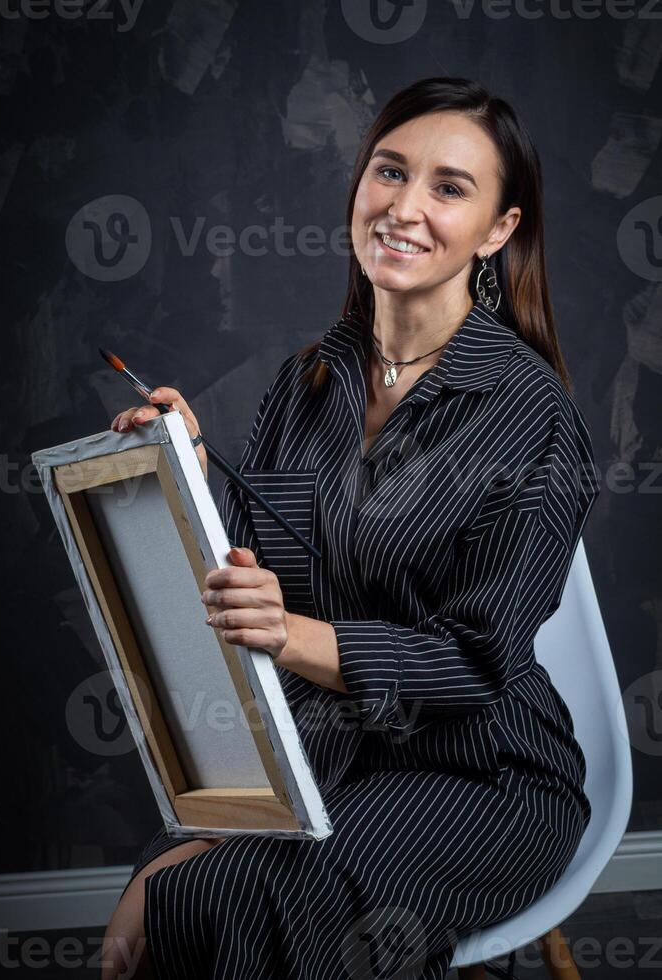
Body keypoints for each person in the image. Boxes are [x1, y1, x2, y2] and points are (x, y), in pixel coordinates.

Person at [101, 77, 600, 980]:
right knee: (156, 896)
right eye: (389, 171)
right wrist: (186, 468)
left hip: (481, 780)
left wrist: (288, 632)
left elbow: (477, 663)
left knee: (232, 896)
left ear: (497, 230)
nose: (404, 207)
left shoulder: (533, 414)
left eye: (449, 188)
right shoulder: (310, 382)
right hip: (327, 754)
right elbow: (261, 581)